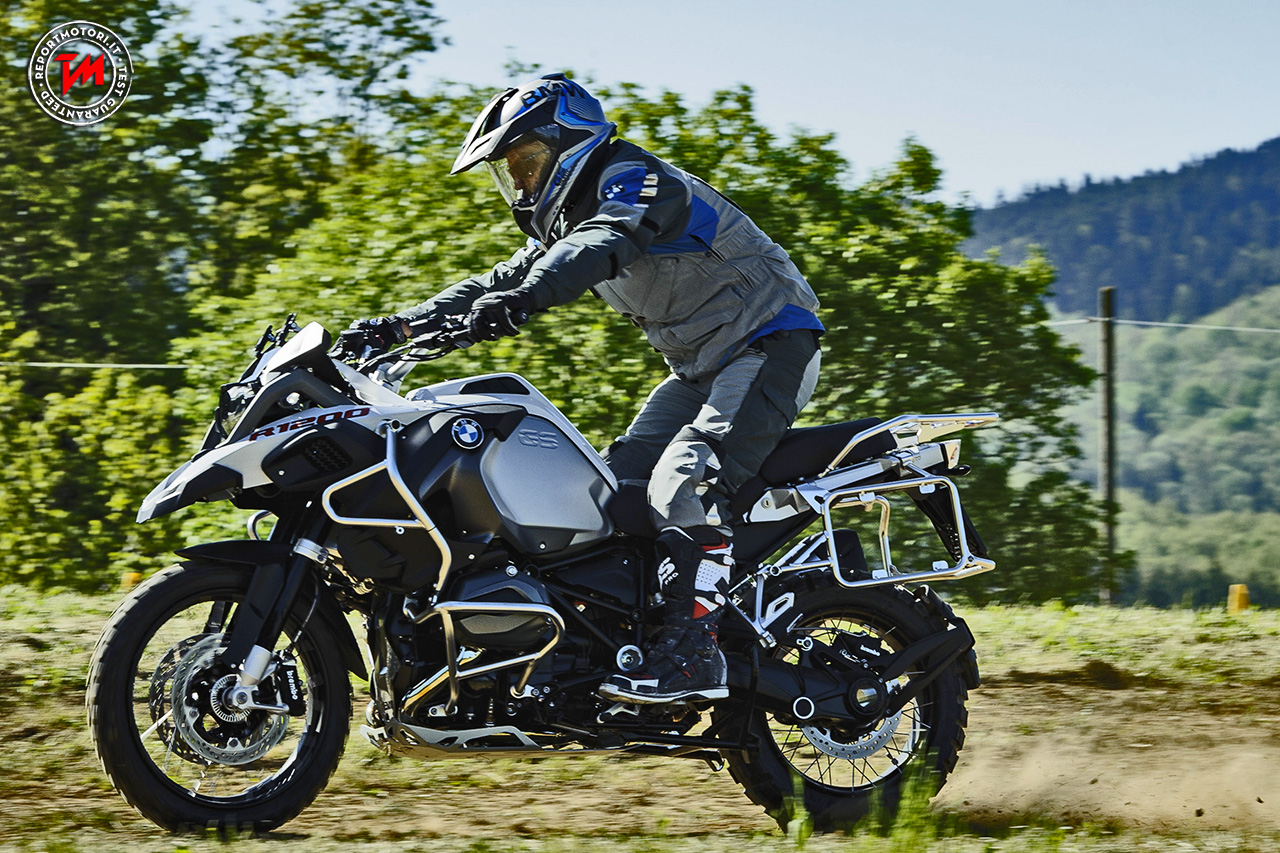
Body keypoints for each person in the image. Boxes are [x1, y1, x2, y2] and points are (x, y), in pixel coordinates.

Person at [349, 73, 823, 705]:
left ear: (568, 142)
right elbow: (498, 282)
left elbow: (605, 243)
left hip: (769, 345)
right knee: (610, 498)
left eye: (525, 162)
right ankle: (624, 638)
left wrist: (524, 300)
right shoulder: (569, 221)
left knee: (684, 482)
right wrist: (399, 327)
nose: (519, 183)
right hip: (696, 370)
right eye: (509, 171)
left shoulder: (635, 180)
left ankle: (694, 655)